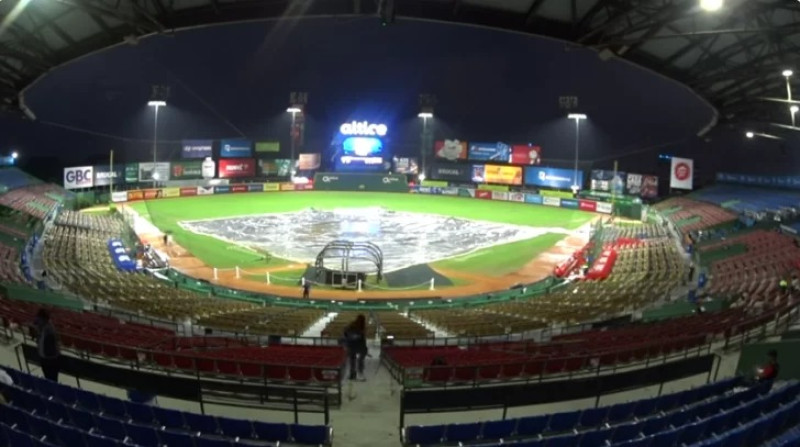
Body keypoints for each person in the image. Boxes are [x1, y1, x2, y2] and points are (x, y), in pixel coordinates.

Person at [34, 309, 60, 382]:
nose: (38, 320)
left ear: (43, 319)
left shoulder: (50, 330)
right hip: (44, 359)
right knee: (48, 379)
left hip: (50, 360)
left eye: (39, 319)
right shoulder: (42, 328)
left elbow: (54, 346)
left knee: (52, 380)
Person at [343, 314, 368, 381]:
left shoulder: (353, 325)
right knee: (359, 361)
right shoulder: (356, 326)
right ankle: (358, 374)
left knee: (353, 361)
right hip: (357, 345)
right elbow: (347, 333)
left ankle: (353, 374)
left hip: (353, 346)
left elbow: (345, 333)